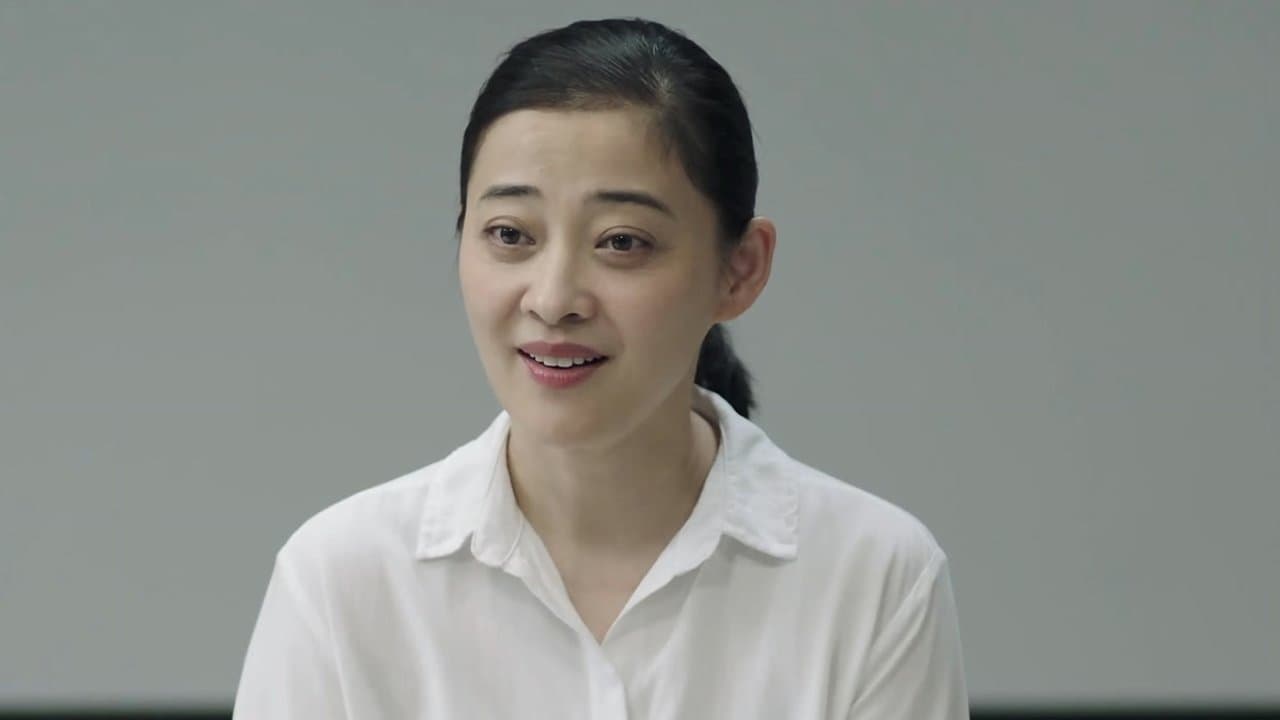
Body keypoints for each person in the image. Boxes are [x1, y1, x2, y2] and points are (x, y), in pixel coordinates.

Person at [233, 17, 968, 719]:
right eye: (510, 234)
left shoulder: (872, 577)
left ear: (740, 269)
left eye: (621, 242)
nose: (553, 300)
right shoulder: (343, 581)